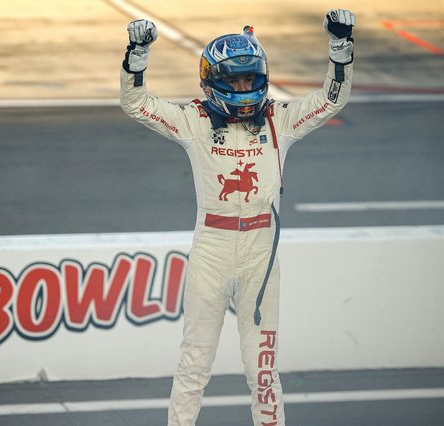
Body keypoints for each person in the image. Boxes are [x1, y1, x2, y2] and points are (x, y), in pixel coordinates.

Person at [120, 9, 356, 426]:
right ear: (214, 82)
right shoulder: (193, 120)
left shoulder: (279, 120)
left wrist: (340, 47)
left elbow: (331, 100)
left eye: (251, 79)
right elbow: (136, 103)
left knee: (263, 373)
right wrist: (136, 56)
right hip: (211, 248)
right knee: (194, 366)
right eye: (235, 80)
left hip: (261, 254)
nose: (245, 88)